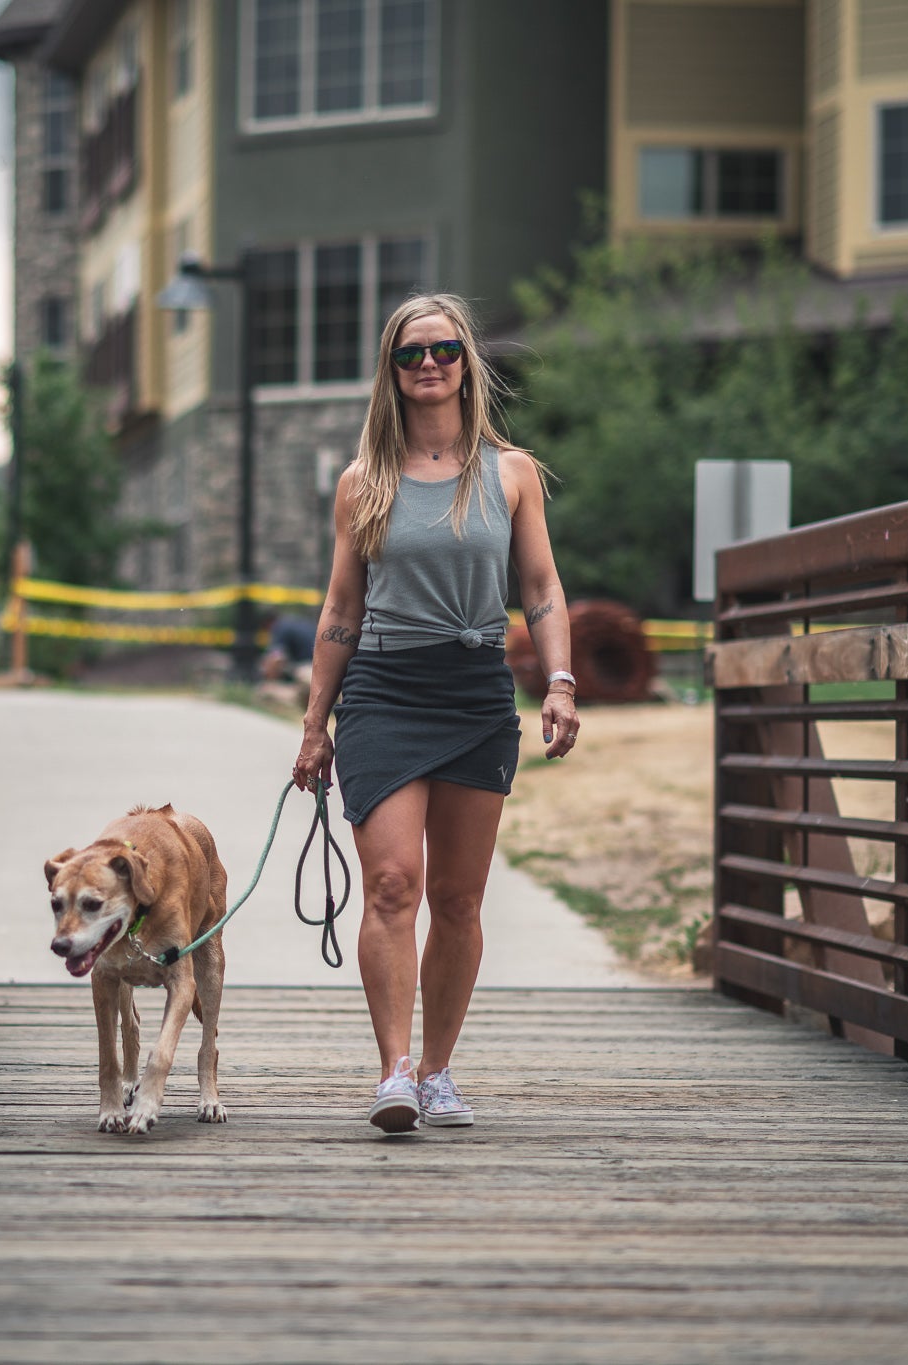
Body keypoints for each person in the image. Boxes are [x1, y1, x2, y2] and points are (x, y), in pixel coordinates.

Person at [291, 293, 579, 1133]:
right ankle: (393, 1073)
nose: (429, 364)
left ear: (466, 362)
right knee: (391, 885)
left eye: (444, 350)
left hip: (475, 690)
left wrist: (559, 680)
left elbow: (541, 589)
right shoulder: (362, 483)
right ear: (392, 370)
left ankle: (439, 1070)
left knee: (457, 898)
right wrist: (316, 724)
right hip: (383, 690)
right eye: (412, 353)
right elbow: (341, 609)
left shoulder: (511, 473)